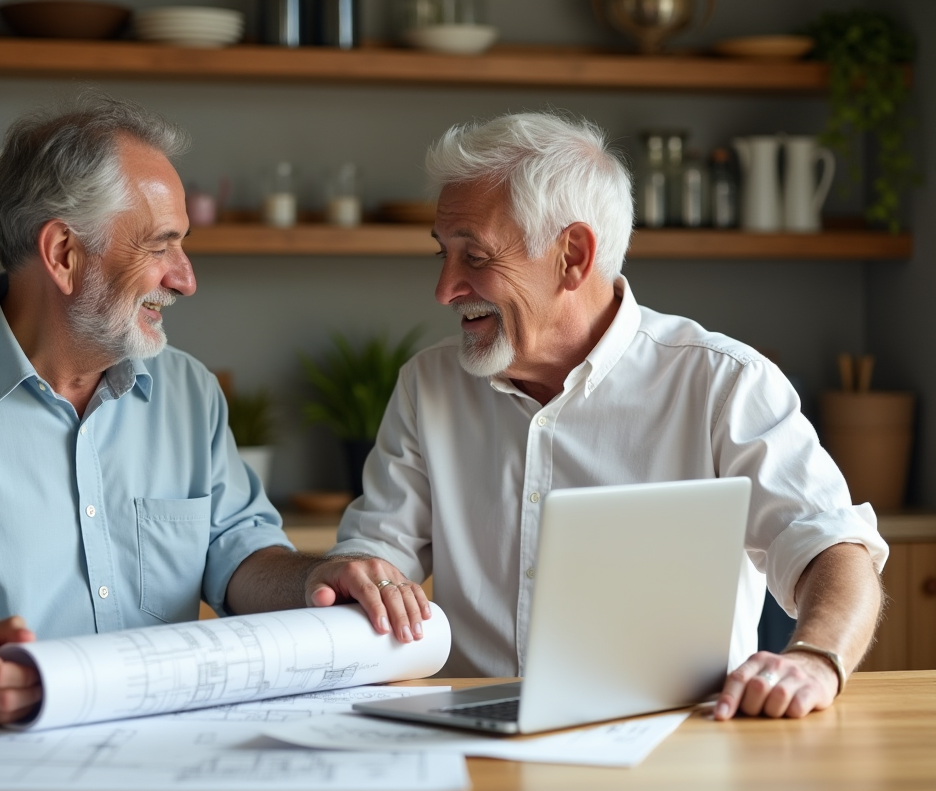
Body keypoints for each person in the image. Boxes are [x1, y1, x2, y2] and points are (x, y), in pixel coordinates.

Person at [0, 95, 371, 726]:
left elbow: (238, 556)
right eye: (160, 247)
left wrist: (318, 577)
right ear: (63, 253)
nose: (185, 278)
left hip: (162, 747)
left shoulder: (189, 392)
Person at [312, 111, 889, 721]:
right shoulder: (426, 386)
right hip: (471, 744)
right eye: (442, 254)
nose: (445, 288)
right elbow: (374, 559)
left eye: (474, 256)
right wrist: (355, 575)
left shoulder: (724, 383)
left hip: (679, 740)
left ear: (573, 256)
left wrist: (815, 660)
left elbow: (833, 547)